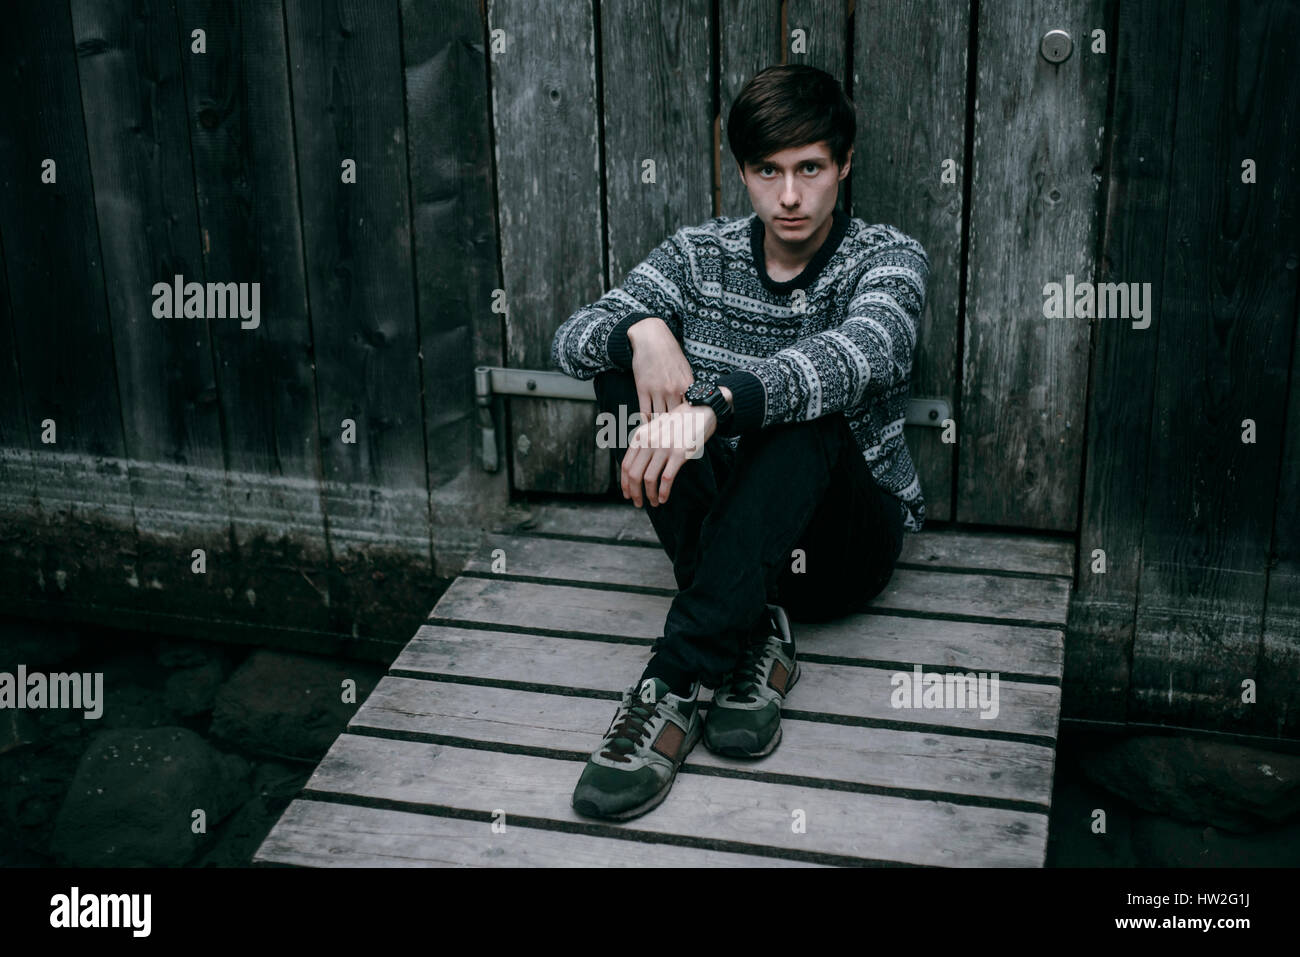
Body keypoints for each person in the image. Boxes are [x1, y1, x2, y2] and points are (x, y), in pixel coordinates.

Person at [550, 64, 930, 821]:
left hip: (840, 549)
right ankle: (752, 631)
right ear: (744, 173)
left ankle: (676, 680)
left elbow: (865, 351)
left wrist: (720, 405)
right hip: (739, 536)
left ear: (844, 166)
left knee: (812, 409)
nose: (790, 196)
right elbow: (569, 340)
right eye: (768, 171)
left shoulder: (887, 257)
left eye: (810, 169)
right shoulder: (701, 256)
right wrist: (642, 329)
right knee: (620, 377)